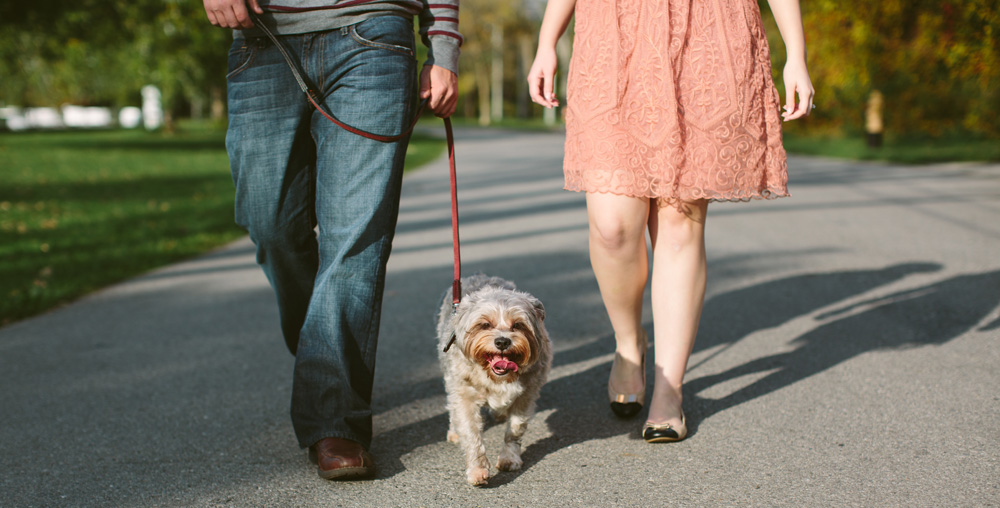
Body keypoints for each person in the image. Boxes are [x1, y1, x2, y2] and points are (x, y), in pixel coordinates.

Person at [528, 0, 813, 442]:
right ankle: (629, 342)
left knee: (679, 220)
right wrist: (547, 40)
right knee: (612, 227)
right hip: (614, 37)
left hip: (706, 35)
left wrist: (796, 53)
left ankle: (668, 389)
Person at [202, 0, 462, 478]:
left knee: (354, 240)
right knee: (270, 224)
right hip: (262, 37)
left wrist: (442, 49)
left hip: (374, 38)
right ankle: (323, 353)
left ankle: (334, 420)